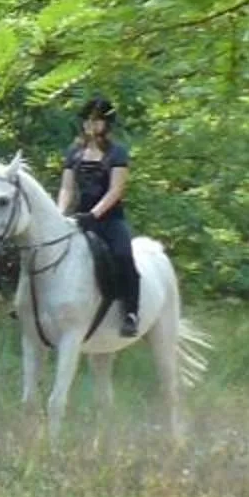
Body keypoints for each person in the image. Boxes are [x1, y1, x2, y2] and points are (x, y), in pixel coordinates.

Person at [58, 94, 138, 334]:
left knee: (123, 255)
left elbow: (116, 190)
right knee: (45, 249)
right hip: (79, 219)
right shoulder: (74, 153)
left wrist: (94, 215)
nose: (90, 124)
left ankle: (131, 313)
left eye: (96, 120)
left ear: (106, 124)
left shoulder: (117, 153)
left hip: (110, 220)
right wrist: (60, 213)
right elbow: (66, 188)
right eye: (87, 120)